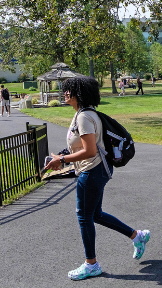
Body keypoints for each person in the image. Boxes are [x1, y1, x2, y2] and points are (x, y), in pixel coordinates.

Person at [44, 77, 150, 281]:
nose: (65, 93)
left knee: (84, 217)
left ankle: (91, 264)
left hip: (92, 171)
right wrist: (61, 156)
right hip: (96, 170)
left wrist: (63, 160)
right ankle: (137, 236)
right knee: (96, 215)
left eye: (70, 90)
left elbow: (90, 151)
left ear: (80, 93)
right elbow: (83, 146)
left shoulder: (84, 117)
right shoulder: (83, 115)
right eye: (65, 90)